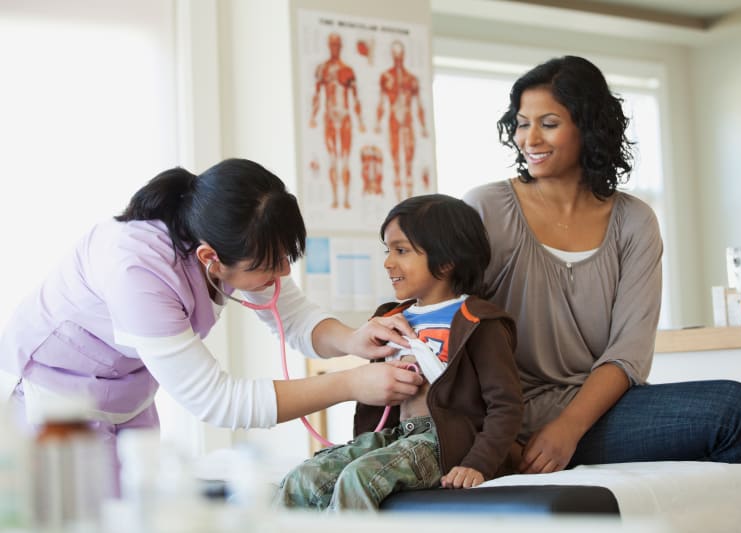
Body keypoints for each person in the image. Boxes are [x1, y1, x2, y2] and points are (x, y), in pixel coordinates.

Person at [462, 55, 741, 474]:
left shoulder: (634, 221)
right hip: (510, 415)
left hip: (597, 411)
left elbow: (628, 353)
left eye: (550, 123)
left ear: (588, 127)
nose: (530, 139)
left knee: (737, 410)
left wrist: (568, 430)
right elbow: (449, 318)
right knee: (734, 410)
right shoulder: (485, 209)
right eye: (523, 123)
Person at [0, 158, 423, 454]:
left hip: (125, 397)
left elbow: (294, 317)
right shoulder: (137, 272)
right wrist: (351, 385)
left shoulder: (234, 238)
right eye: (266, 267)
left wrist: (353, 340)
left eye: (284, 261)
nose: (278, 276)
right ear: (210, 258)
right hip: (56, 400)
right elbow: (218, 401)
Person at [276, 194, 522, 511]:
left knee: (358, 479)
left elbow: (506, 407)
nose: (388, 262)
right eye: (387, 250)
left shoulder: (478, 324)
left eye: (401, 251)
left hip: (443, 445)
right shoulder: (391, 319)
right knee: (304, 477)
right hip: (397, 436)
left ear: (446, 262)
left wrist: (478, 464)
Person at [309, 32, 366, 210]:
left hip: (345, 117)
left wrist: (360, 120)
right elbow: (317, 95)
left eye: (338, 44)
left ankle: (346, 199)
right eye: (332, 44)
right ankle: (335, 199)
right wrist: (313, 117)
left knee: (346, 160)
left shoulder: (347, 70)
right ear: (329, 46)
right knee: (333, 159)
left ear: (341, 46)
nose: (335, 47)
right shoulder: (323, 69)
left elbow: (355, 98)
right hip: (330, 118)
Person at [375, 40, 428, 201]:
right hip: (393, 122)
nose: (397, 58)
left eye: (400, 54)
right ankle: (399, 202)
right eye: (395, 54)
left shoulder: (411, 79)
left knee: (409, 164)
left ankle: (409, 203)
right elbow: (382, 102)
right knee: (397, 164)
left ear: (403, 55)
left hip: (407, 122)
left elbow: (419, 104)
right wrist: (377, 123)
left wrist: (423, 127)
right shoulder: (386, 77)